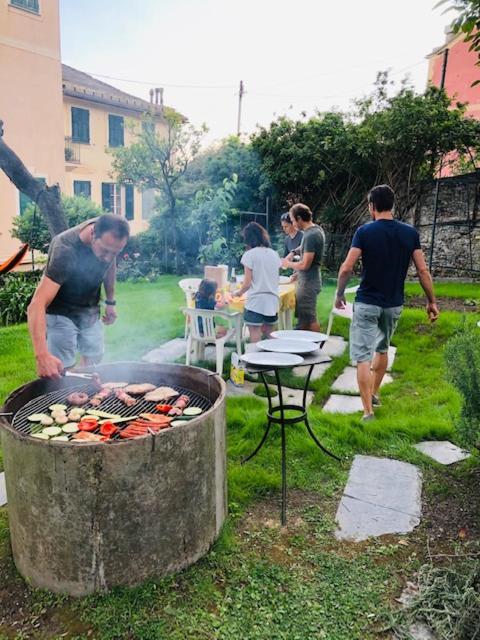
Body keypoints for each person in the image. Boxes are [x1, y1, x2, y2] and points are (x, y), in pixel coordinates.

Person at [335, 184, 439, 422]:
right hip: (393, 304)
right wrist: (432, 301)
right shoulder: (410, 233)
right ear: (392, 205)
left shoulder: (364, 232)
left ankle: (367, 411)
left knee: (362, 355)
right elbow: (422, 270)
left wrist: (340, 294)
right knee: (382, 348)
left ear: (371, 206)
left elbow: (346, 268)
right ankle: (375, 393)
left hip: (367, 302)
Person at [27, 214, 130, 379]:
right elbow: (36, 305)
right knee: (61, 368)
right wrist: (42, 355)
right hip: (61, 311)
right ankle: (66, 391)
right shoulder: (65, 249)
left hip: (90, 309)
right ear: (92, 233)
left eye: (115, 253)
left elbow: (110, 266)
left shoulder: (109, 237)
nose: (108, 258)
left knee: (94, 358)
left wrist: (110, 301)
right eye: (105, 251)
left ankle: (81, 387)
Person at [234, 222, 281, 343]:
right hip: (272, 302)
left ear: (248, 239)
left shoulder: (249, 255)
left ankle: (255, 361)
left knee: (255, 336)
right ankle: (274, 360)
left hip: (255, 303)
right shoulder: (274, 254)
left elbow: (247, 284)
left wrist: (238, 293)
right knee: (271, 336)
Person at [281, 203, 325, 331]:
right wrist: (293, 252)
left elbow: (305, 264)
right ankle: (304, 344)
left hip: (308, 283)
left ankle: (316, 345)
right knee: (304, 318)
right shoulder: (315, 229)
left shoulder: (310, 235)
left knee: (310, 318)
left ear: (299, 219)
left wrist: (288, 263)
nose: (293, 224)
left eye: (293, 220)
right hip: (309, 280)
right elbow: (305, 247)